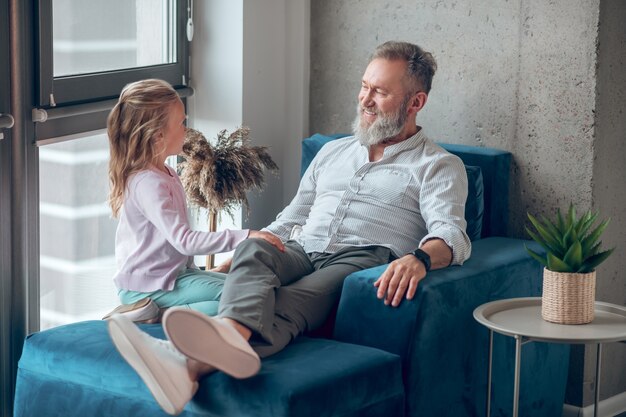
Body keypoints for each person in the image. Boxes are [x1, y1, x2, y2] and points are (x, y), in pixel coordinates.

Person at [107, 41, 471, 415]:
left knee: (289, 299)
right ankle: (217, 348)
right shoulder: (333, 152)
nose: (365, 99)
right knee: (255, 245)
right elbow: (292, 216)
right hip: (300, 248)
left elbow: (453, 235)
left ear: (416, 103)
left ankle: (188, 360)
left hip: (359, 258)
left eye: (380, 91)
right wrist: (243, 255)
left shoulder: (437, 165)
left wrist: (420, 259)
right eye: (364, 86)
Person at [103, 79, 284, 323]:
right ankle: (156, 314)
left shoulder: (166, 173)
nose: (186, 130)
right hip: (147, 286)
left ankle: (165, 311)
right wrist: (246, 235)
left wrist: (200, 275)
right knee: (243, 296)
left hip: (173, 277)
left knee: (250, 289)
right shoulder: (148, 184)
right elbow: (184, 241)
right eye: (181, 123)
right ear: (158, 136)